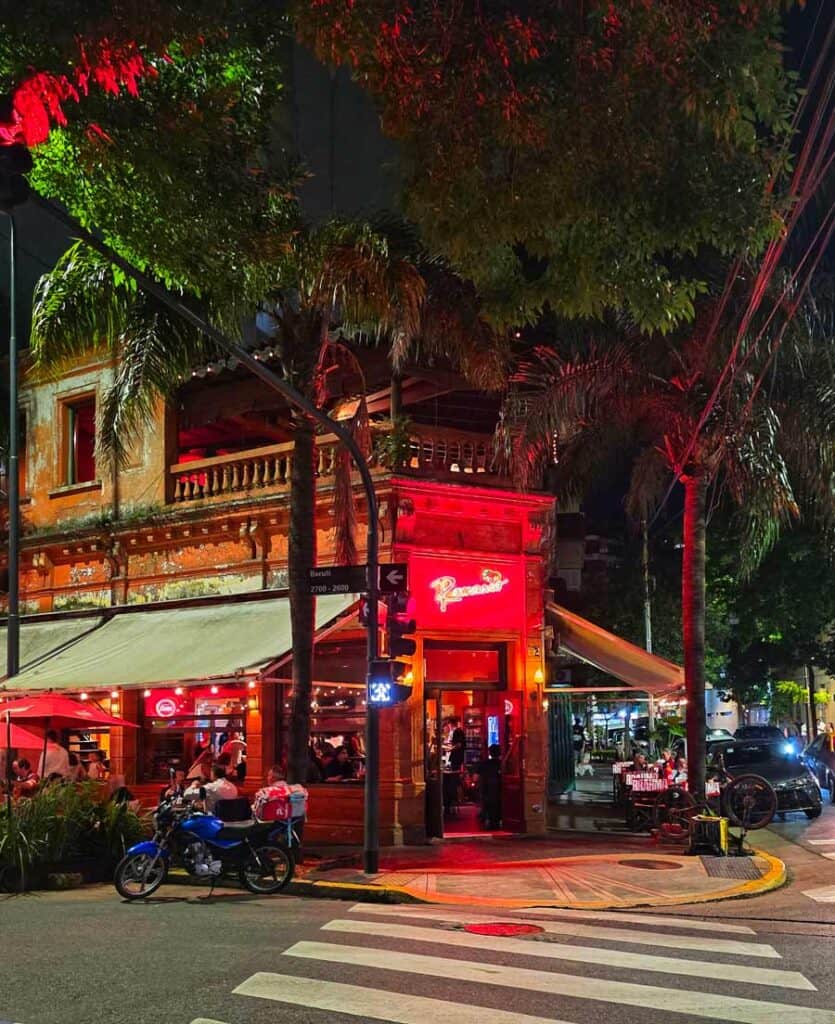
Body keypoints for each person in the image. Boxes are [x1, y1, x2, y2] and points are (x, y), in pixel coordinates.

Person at [478, 743, 503, 829]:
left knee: (488, 805)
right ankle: (497, 821)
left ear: (489, 753)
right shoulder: (502, 764)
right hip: (499, 789)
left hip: (486, 789)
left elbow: (478, 776)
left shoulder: (484, 764)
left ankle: (488, 820)